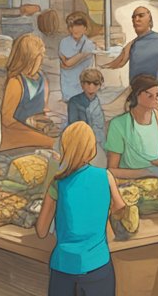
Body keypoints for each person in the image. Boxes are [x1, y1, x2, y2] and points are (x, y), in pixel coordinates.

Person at [35, 121, 124, 296]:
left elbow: (41, 231)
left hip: (64, 267)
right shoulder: (106, 176)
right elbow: (120, 207)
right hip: (98, 265)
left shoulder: (58, 182)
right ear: (91, 148)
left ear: (65, 147)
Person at [105, 74, 158, 180]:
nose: (156, 99)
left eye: (157, 95)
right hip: (130, 184)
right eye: (150, 95)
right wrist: (148, 172)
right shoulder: (118, 125)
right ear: (136, 96)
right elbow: (111, 171)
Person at [0, 34, 55, 151]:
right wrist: (31, 127)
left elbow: (43, 108)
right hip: (16, 132)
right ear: (26, 59)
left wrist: (45, 121)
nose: (39, 64)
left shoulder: (41, 78)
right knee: (50, 143)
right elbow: (7, 120)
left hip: (36, 129)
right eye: (36, 60)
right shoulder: (15, 82)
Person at [102, 6, 158, 83]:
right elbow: (117, 64)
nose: (136, 20)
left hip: (157, 90)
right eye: (134, 17)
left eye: (141, 16)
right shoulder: (132, 45)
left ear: (149, 19)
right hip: (137, 89)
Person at [58, 12, 98, 124]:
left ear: (85, 28)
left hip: (83, 85)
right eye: (72, 26)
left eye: (78, 26)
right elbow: (67, 64)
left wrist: (70, 61)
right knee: (73, 115)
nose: (75, 29)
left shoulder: (89, 44)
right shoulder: (64, 42)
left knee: (85, 115)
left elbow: (67, 63)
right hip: (69, 84)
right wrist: (83, 54)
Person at [69, 69, 108, 167]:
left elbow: (102, 125)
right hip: (82, 142)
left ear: (100, 85)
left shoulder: (100, 101)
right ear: (82, 84)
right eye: (88, 83)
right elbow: (73, 125)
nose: (91, 86)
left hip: (100, 142)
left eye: (95, 83)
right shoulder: (74, 101)